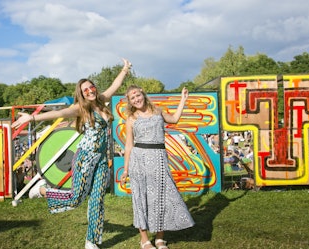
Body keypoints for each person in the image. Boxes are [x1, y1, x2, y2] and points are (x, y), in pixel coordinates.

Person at [12, 58, 132, 249]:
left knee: (97, 199)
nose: (90, 91)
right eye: (86, 90)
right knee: (76, 198)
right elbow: (57, 114)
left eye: (92, 87)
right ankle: (42, 190)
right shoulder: (80, 108)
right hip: (84, 157)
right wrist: (32, 117)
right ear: (81, 94)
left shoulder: (101, 101)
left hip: (101, 159)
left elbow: (114, 86)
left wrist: (125, 69)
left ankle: (91, 240)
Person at [121, 85, 195, 249]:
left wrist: (183, 99)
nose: (136, 99)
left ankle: (160, 238)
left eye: (137, 95)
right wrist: (126, 170)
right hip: (139, 161)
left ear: (143, 94)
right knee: (141, 199)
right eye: (132, 98)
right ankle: (144, 240)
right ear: (130, 102)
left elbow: (175, 119)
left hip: (159, 160)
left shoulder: (158, 111)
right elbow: (128, 145)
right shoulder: (131, 119)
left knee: (162, 198)